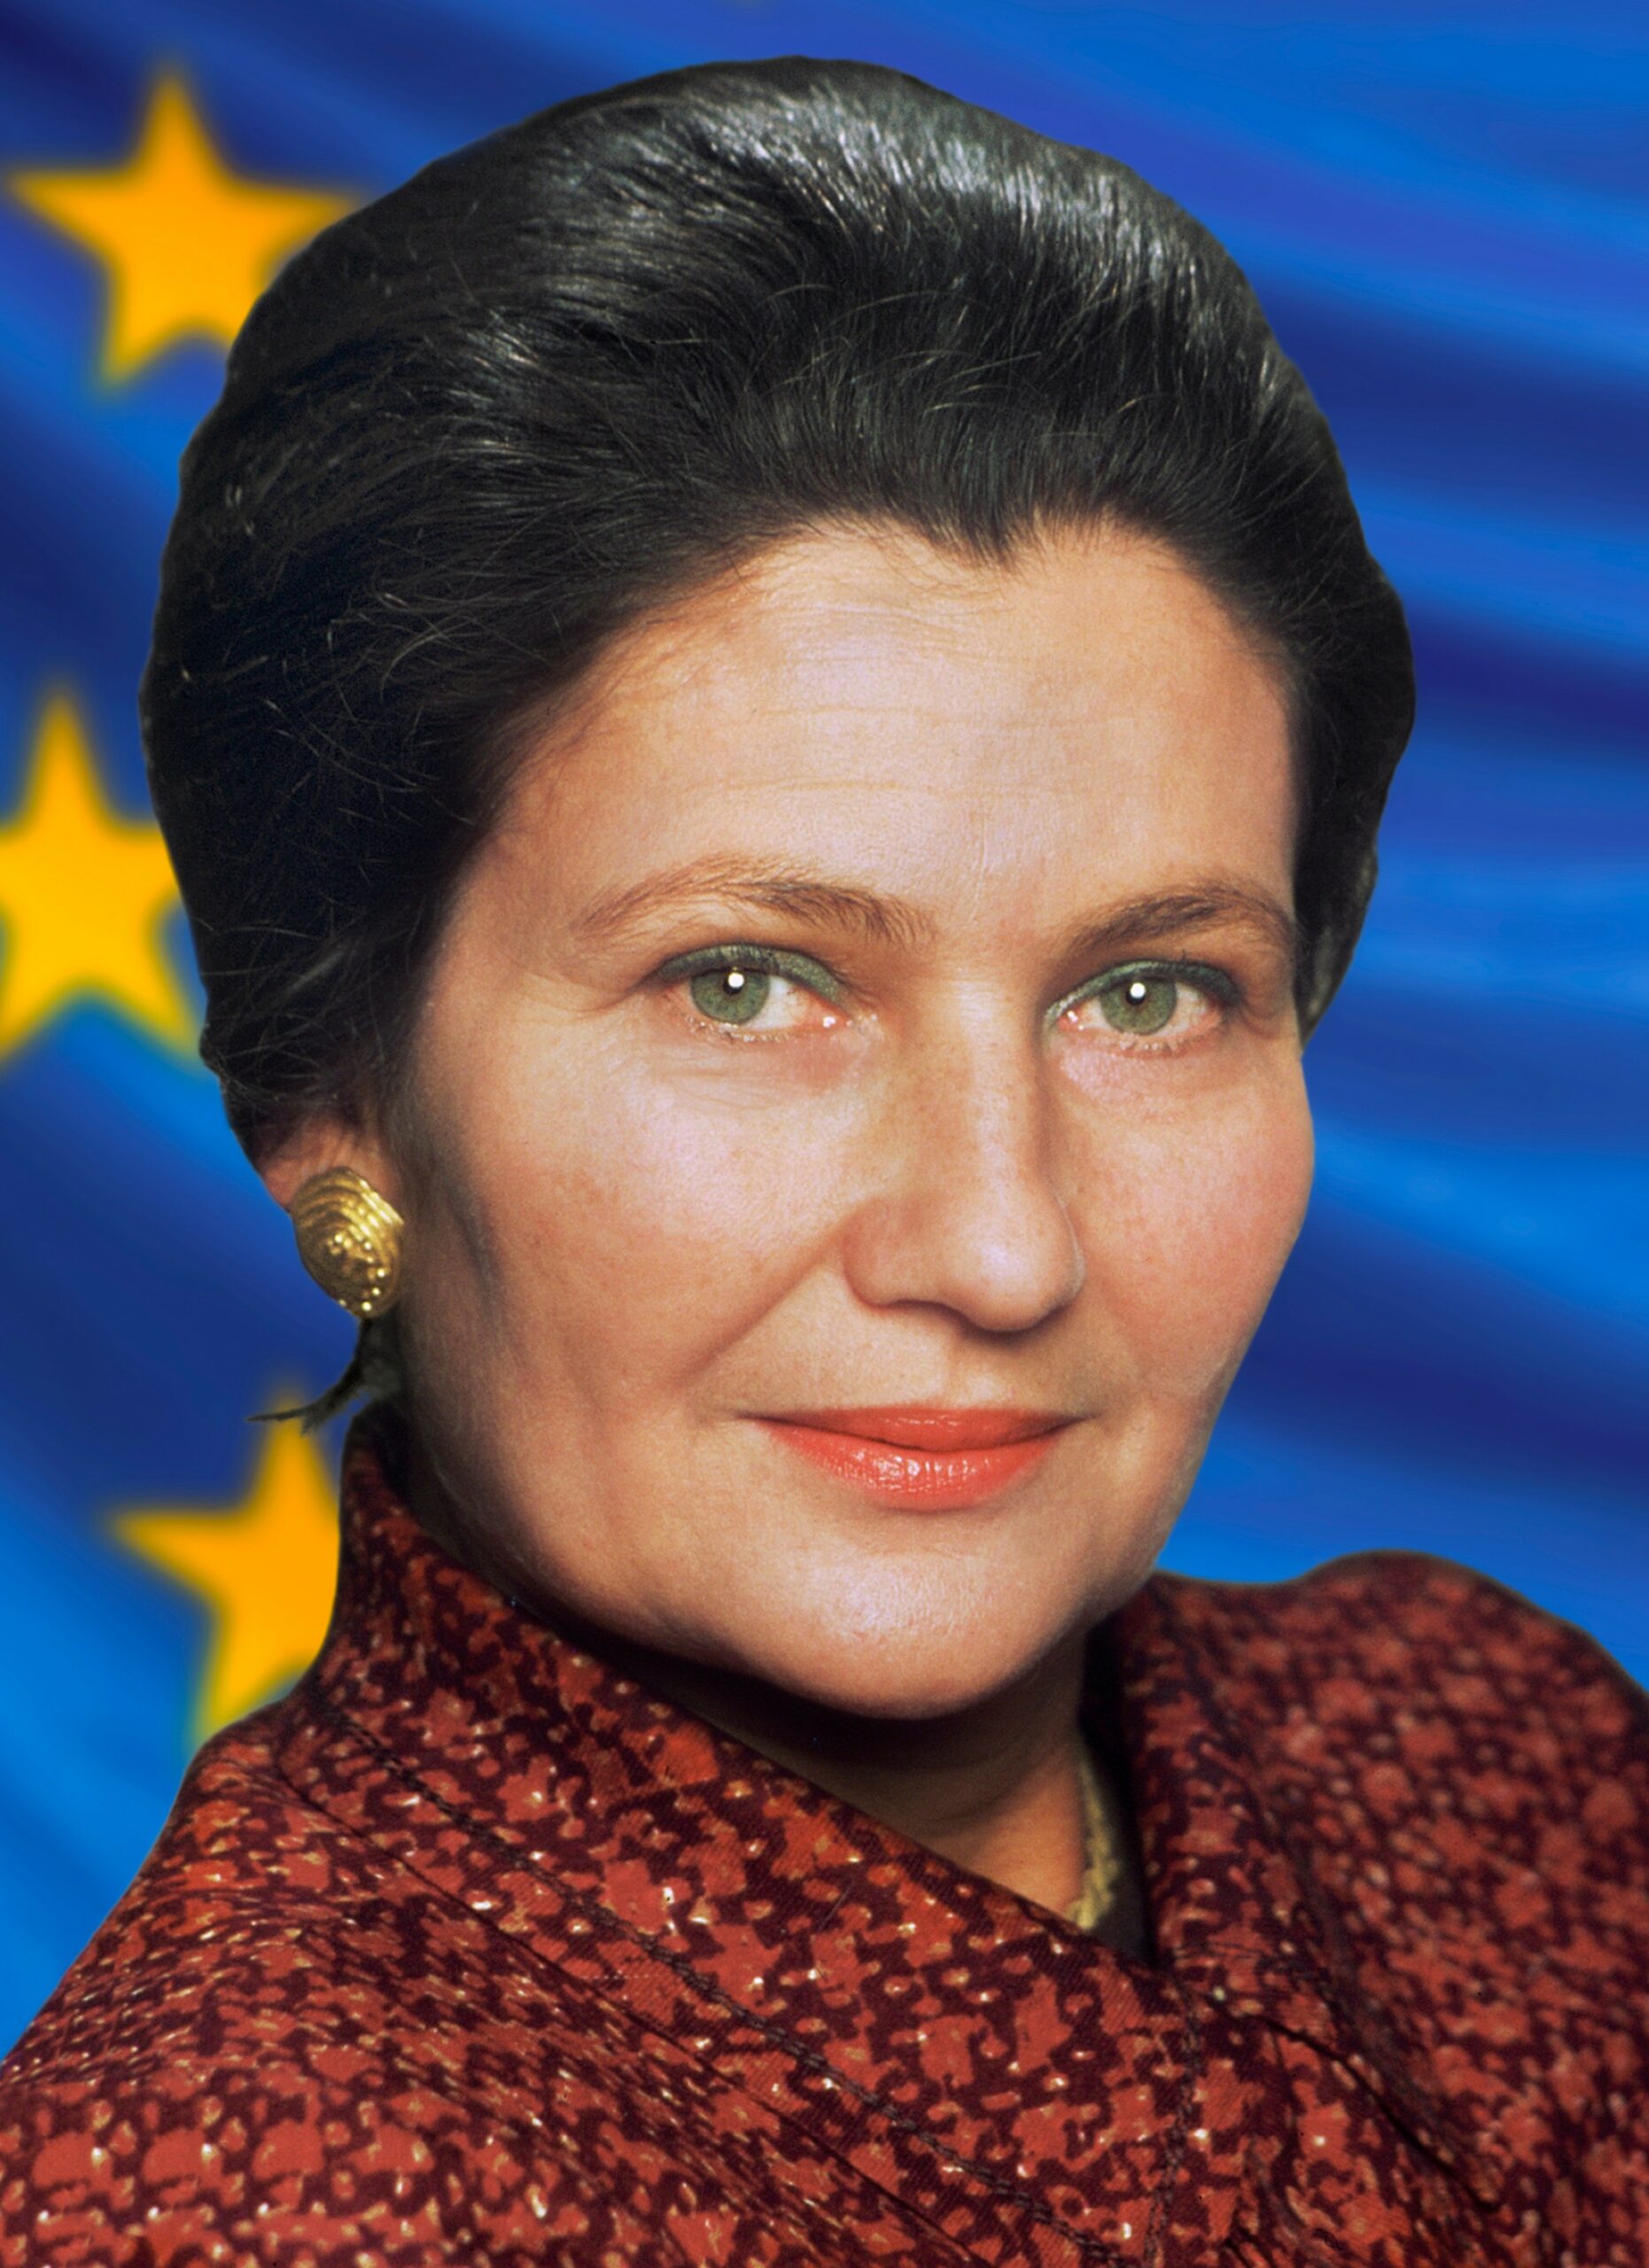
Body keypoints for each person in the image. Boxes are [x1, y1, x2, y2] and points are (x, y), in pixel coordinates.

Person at [3, 54, 1645, 2266]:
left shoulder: (1497, 1752)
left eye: (1147, 992)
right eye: (746, 982)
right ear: (338, 1099)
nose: (998, 1240)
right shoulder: (240, 2176)